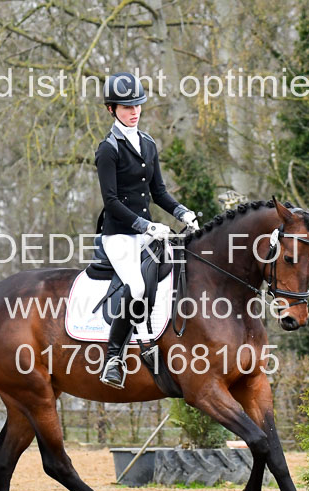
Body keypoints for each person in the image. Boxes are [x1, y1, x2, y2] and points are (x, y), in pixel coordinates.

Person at [94, 71, 199, 388]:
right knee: (137, 288)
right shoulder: (108, 149)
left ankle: (160, 340)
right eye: (126, 107)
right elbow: (111, 201)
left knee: (179, 273)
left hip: (147, 232)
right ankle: (114, 359)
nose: (134, 111)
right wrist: (146, 225)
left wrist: (182, 212)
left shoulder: (149, 144)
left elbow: (159, 193)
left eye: (137, 105)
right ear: (112, 110)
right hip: (118, 236)